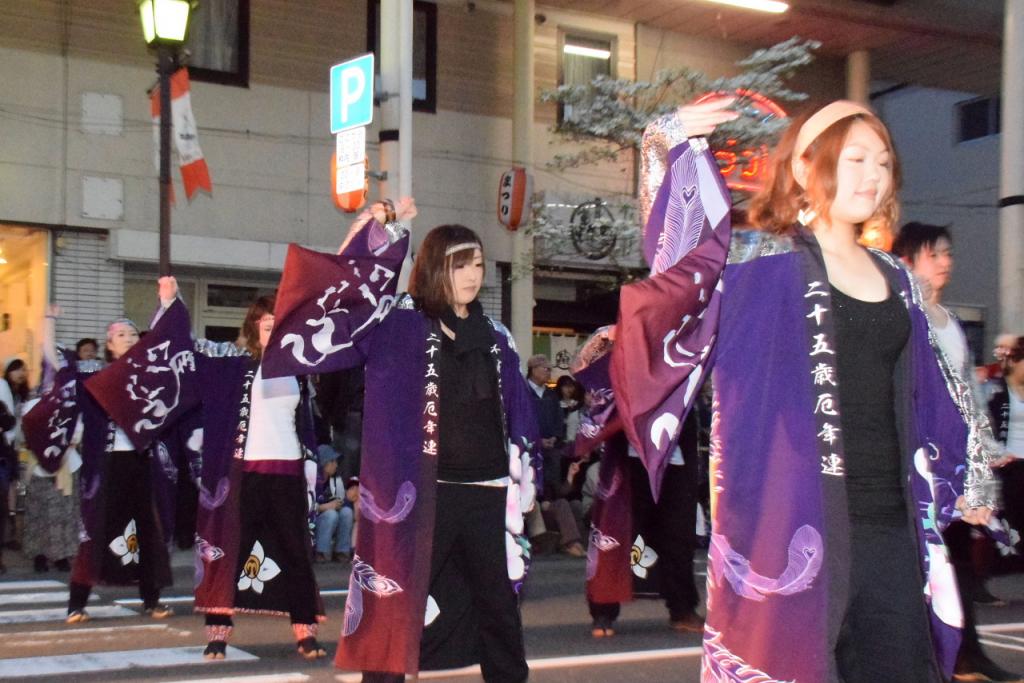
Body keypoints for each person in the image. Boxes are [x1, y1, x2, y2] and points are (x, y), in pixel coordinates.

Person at [582, 98, 999, 682]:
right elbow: (677, 272)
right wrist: (664, 144)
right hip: (787, 523)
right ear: (805, 168)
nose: (872, 175)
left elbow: (936, 388)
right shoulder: (757, 260)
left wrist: (968, 473)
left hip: (889, 524)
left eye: (882, 162)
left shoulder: (897, 277)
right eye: (853, 159)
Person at [258, 198, 540, 682]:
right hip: (422, 493)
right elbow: (347, 289)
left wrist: (522, 477)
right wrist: (377, 223)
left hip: (487, 491)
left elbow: (519, 413)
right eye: (459, 265)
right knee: (396, 600)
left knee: (498, 605)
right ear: (435, 267)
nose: (472, 275)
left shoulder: (496, 336)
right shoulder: (401, 324)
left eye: (477, 264)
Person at [153, 283, 328, 660]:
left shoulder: (300, 370)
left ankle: (304, 632)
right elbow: (185, 346)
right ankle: (218, 633)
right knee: (228, 551)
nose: (272, 329)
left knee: (295, 552)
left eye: (277, 323)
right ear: (253, 327)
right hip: (241, 474)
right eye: (265, 323)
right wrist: (171, 302)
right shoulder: (231, 365)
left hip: (287, 474)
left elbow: (308, 428)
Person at [895, 222, 1022, 683]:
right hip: (917, 463)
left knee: (959, 560)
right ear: (907, 260)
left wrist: (986, 449)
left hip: (955, 461)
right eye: (935, 254)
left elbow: (968, 392)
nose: (946, 262)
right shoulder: (900, 317)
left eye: (948, 254)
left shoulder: (949, 322)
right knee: (918, 563)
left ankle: (966, 654)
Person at [32, 306, 176, 623]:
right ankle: (76, 602)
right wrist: (49, 323)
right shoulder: (94, 376)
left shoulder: (153, 376)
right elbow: (58, 369)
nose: (128, 339)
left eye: (133, 334)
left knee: (148, 530)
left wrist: (167, 307)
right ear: (109, 345)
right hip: (107, 464)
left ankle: (151, 600)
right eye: (120, 335)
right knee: (94, 531)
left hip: (143, 462)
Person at [314, 443, 354, 563]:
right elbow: (306, 507)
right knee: (331, 514)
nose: (336, 465)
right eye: (333, 461)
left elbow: (343, 501)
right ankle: (321, 552)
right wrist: (325, 507)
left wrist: (343, 501)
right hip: (314, 522)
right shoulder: (313, 479)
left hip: (331, 517)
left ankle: (341, 551)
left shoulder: (336, 479)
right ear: (324, 464)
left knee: (347, 512)